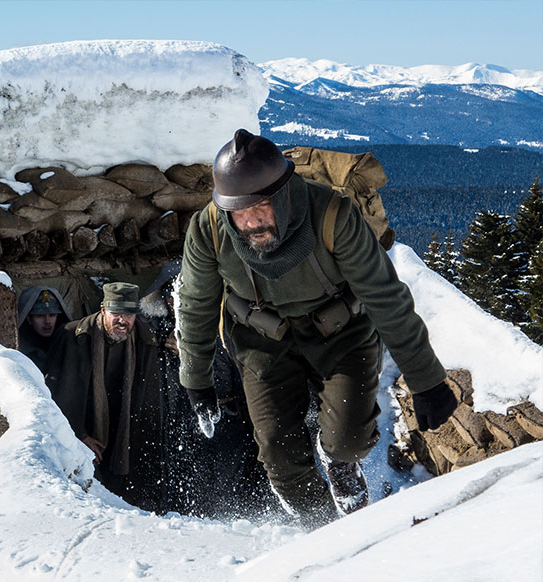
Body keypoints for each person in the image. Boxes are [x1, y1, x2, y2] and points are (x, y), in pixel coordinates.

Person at [177, 129, 457, 528]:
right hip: (262, 341)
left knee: (347, 441)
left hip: (340, 333)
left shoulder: (333, 216)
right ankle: (325, 533)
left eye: (260, 207)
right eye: (239, 212)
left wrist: (426, 380)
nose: (251, 221)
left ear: (284, 193)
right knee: (278, 456)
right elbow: (196, 303)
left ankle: (339, 465)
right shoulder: (209, 229)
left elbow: (386, 298)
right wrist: (196, 378)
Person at [141, 261, 270, 518]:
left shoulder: (220, 326)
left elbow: (231, 368)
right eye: (170, 299)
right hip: (184, 418)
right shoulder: (160, 331)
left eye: (180, 298)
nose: (175, 305)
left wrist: (190, 354)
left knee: (226, 477)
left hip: (226, 413)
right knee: (188, 480)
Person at [47, 282, 164, 511]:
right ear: (103, 310)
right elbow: (55, 394)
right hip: (85, 433)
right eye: (117, 313)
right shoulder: (73, 337)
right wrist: (78, 435)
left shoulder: (144, 341)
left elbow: (149, 398)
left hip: (124, 435)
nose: (123, 320)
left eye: (129, 314)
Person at [16, 286, 71, 372]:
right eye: (40, 316)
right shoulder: (20, 352)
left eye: (52, 315)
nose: (47, 321)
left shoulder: (67, 345)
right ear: (29, 319)